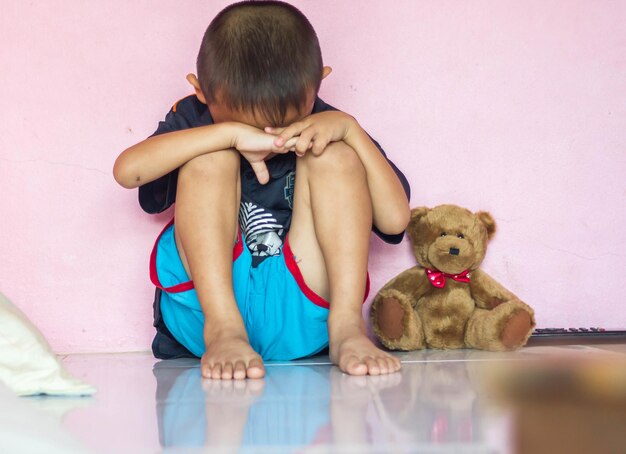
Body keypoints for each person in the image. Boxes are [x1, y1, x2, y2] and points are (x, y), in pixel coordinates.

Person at [113, 1, 410, 380]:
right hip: (208, 309)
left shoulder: (328, 120)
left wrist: (350, 130)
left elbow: (395, 220)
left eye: (285, 123)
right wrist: (227, 136)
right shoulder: (192, 117)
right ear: (202, 92)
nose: (268, 138)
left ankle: (347, 327)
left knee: (335, 157)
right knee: (209, 158)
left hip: (303, 304)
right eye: (244, 123)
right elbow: (127, 172)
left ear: (317, 84)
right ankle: (225, 327)